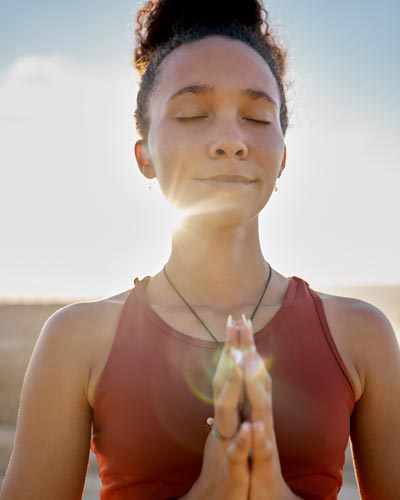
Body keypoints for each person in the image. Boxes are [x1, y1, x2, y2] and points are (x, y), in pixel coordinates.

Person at [1, 0, 400, 499]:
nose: (231, 140)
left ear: (282, 158)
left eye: (258, 117)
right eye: (192, 114)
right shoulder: (77, 340)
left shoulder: (362, 337)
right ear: (144, 156)